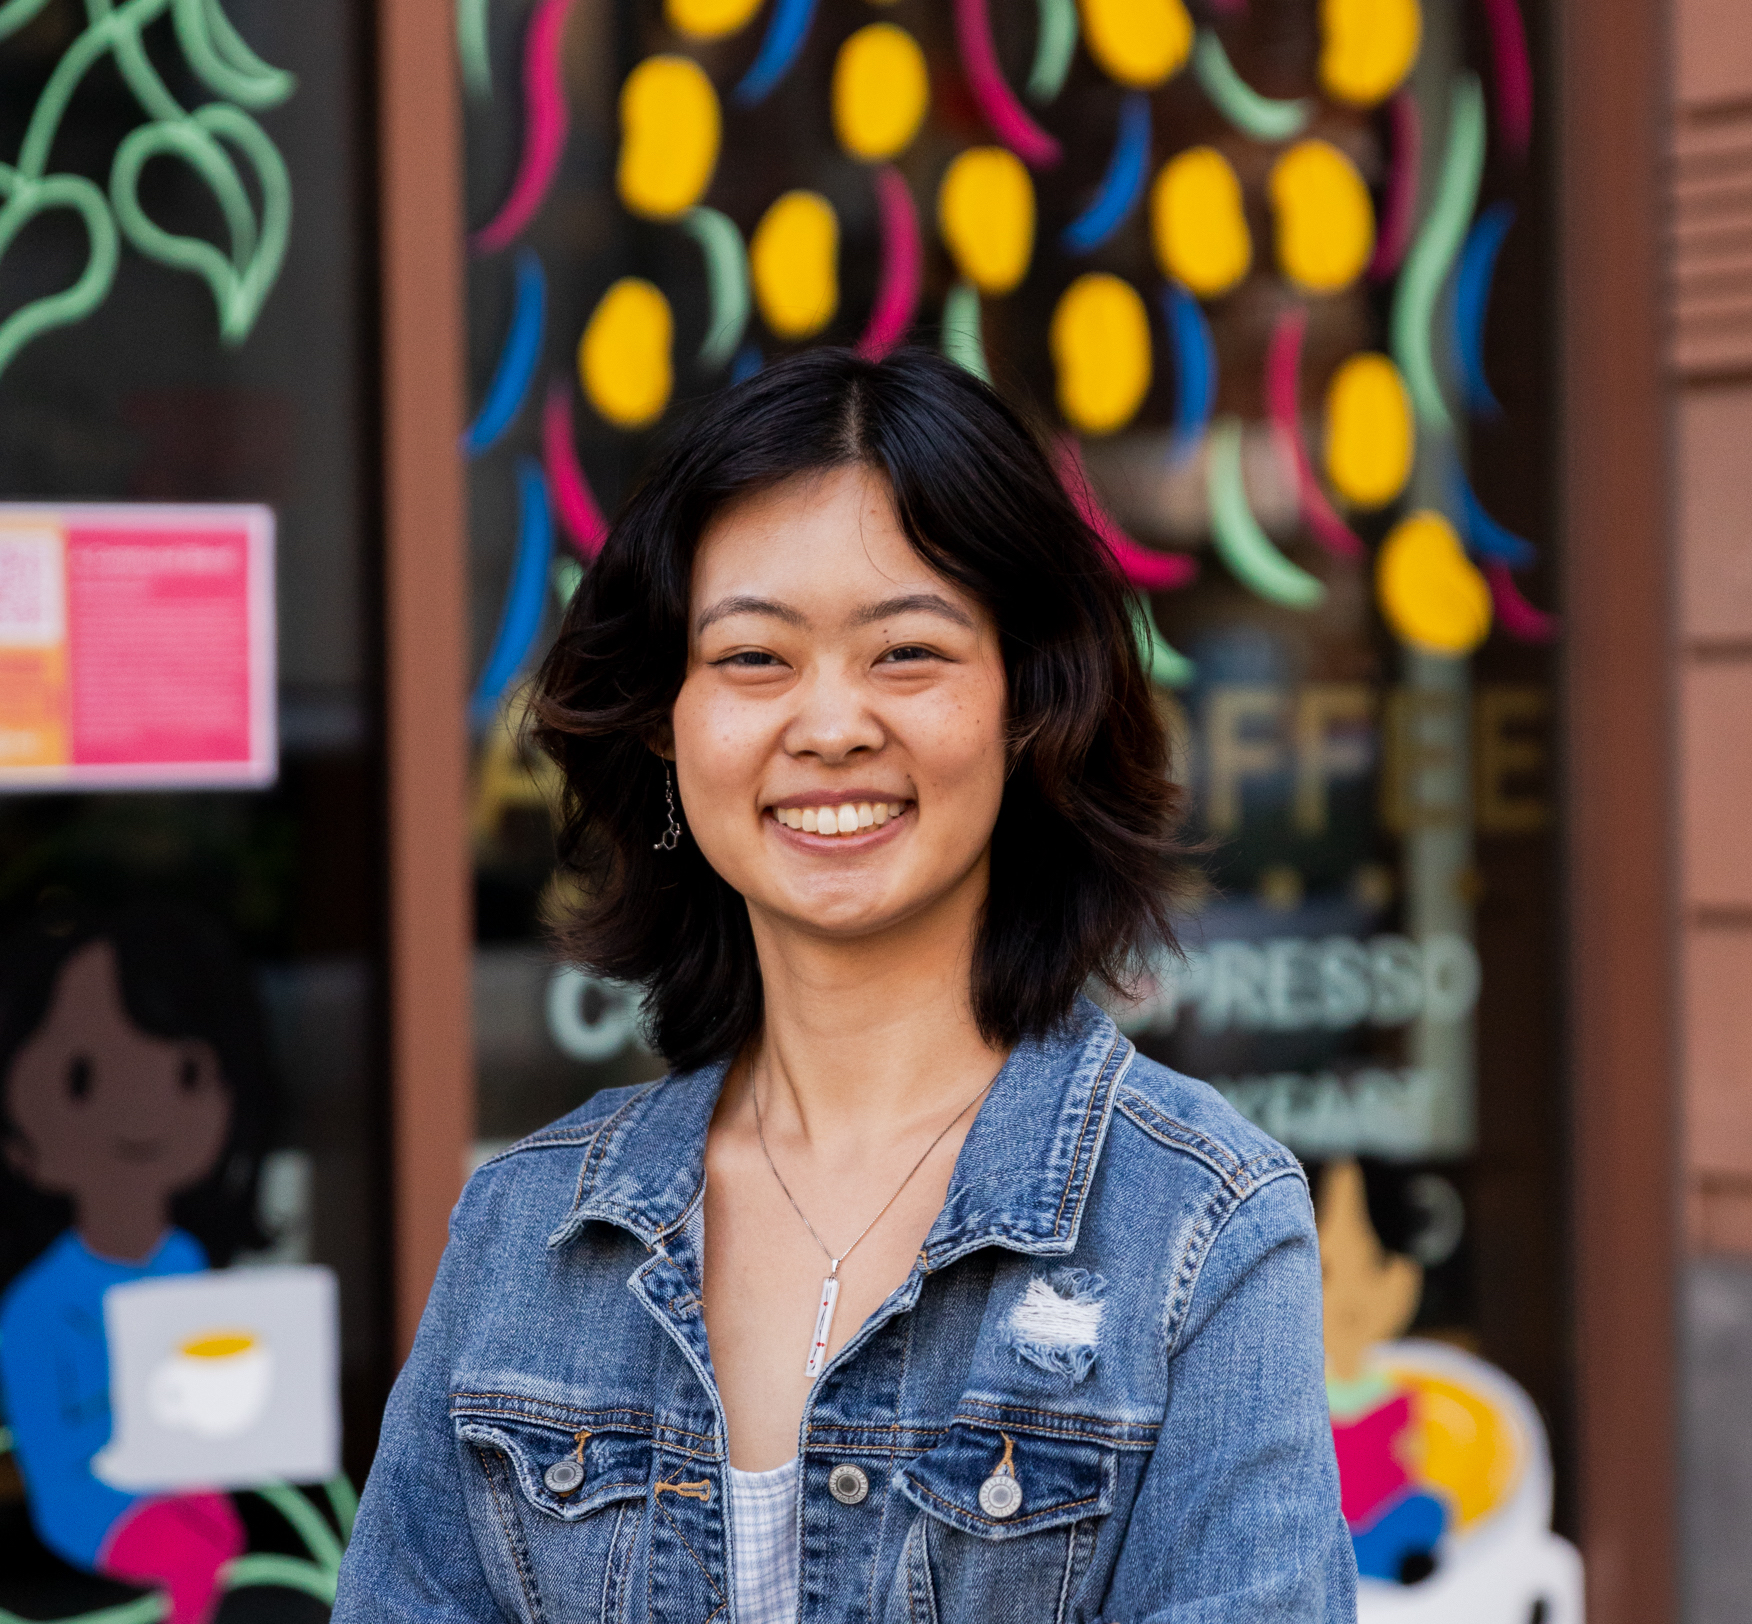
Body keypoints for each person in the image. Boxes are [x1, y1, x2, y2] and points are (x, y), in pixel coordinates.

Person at [335, 348, 1354, 1622]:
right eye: (755, 658)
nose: (828, 725)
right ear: (667, 718)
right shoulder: (527, 1231)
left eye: (907, 653)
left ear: (1029, 700)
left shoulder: (1197, 1227)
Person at [0, 904, 274, 1624]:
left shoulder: (185, 1261)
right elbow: (51, 1447)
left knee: (221, 1537)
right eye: (83, 1077)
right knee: (193, 1554)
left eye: (183, 1071)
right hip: (87, 1496)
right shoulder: (35, 1306)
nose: (139, 1107)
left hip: (185, 1475)